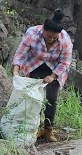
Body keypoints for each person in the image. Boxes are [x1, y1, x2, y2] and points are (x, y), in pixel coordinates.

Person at [12, 9, 73, 142]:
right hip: (35, 64)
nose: (51, 39)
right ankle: (34, 127)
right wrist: (16, 70)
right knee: (33, 97)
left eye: (54, 37)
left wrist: (53, 76)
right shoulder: (32, 33)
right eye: (48, 36)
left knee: (51, 99)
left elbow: (65, 62)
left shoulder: (65, 39)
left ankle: (48, 129)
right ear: (43, 30)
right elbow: (21, 53)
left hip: (55, 67)